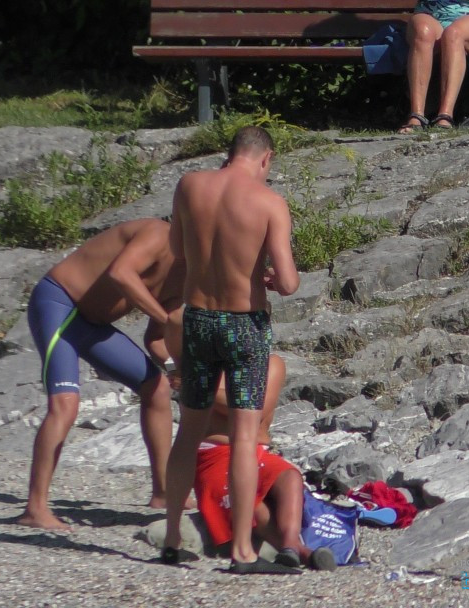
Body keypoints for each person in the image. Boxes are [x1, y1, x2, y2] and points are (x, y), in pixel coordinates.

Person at [162, 126, 302, 575]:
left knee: (188, 429)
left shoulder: (189, 186)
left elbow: (178, 249)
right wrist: (262, 276)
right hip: (244, 325)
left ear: (231, 154)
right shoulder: (268, 202)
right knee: (245, 436)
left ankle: (170, 537)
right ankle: (243, 549)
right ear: (265, 159)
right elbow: (288, 282)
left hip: (198, 318)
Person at [17, 218, 189, 532]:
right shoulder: (158, 234)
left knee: (156, 388)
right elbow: (120, 273)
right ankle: (35, 507)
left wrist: (176, 366)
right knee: (65, 405)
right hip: (58, 302)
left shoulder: (187, 275)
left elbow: (157, 337)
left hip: (91, 325)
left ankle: (163, 492)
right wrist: (167, 317)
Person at [165, 349, 336, 571]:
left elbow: (255, 408)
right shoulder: (202, 362)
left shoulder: (271, 364)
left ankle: (290, 545)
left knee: (290, 477)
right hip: (213, 454)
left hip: (257, 450)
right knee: (252, 505)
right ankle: (302, 552)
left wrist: (197, 386)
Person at [397, 0, 469, 133]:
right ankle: (416, 115)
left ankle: (445, 116)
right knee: (423, 32)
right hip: (430, 13)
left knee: (453, 34)